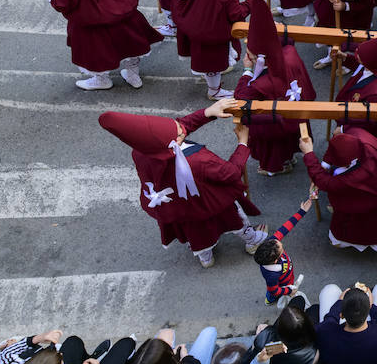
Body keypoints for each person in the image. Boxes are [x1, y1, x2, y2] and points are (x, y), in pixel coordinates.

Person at [100, 96, 268, 267]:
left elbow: (179, 127)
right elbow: (231, 173)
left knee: (195, 234)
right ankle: (253, 241)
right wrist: (243, 143)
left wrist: (208, 112)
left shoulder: (142, 152)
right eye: (179, 131)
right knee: (236, 220)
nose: (181, 126)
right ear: (175, 141)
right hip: (211, 202)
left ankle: (206, 258)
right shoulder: (199, 160)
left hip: (180, 208)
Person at [314, 282, 377, 364]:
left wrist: (339, 302)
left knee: (330, 289)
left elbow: (329, 320)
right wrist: (372, 306)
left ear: (341, 316)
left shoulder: (324, 333)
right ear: (367, 315)